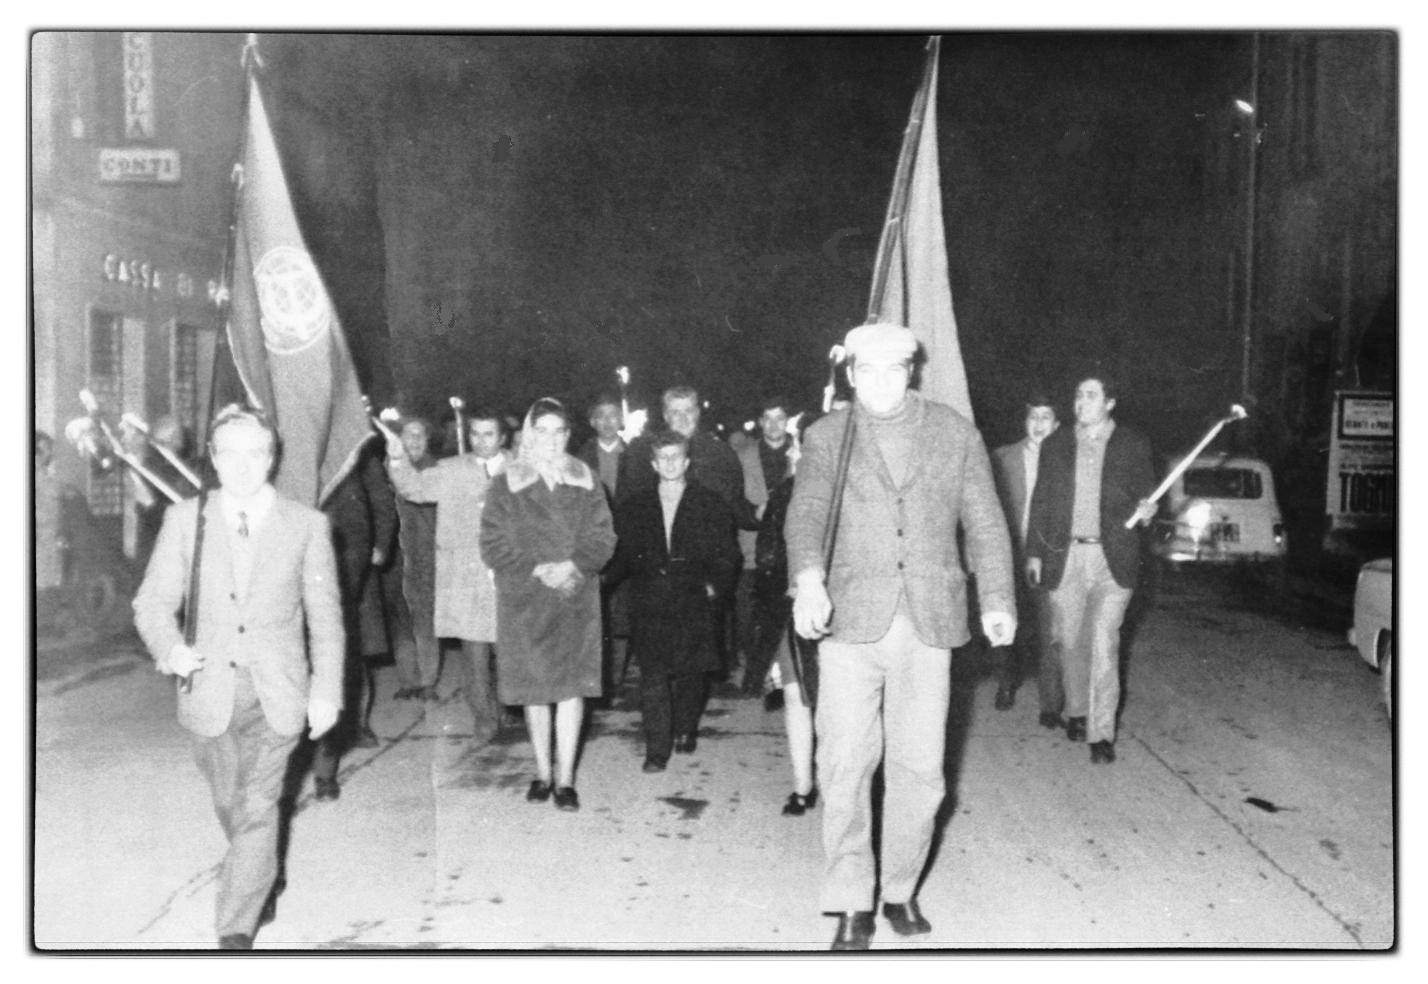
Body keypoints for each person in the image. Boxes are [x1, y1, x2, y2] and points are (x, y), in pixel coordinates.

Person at [785, 322, 1015, 950]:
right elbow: (806, 513)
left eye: (895, 369)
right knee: (844, 763)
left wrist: (997, 599)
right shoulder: (828, 435)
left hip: (929, 620)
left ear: (912, 371)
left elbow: (985, 522)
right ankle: (850, 899)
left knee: (919, 768)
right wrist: (809, 579)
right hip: (849, 620)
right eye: (868, 371)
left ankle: (899, 889)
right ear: (851, 375)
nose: (882, 382)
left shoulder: (953, 431)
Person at [131, 404, 344, 949]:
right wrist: (170, 648)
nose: (243, 466)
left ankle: (234, 929)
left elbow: (325, 619)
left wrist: (327, 691)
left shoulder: (307, 525)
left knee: (257, 805)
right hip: (209, 687)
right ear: (214, 458)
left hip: (279, 690)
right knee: (231, 801)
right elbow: (152, 604)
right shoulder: (187, 519)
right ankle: (260, 869)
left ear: (272, 458)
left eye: (255, 453)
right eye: (230, 454)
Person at [479, 398, 616, 812]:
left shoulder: (586, 479)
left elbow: (603, 537)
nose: (552, 439)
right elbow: (492, 543)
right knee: (535, 692)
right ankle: (542, 772)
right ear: (529, 434)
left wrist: (574, 566)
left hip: (575, 596)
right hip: (526, 597)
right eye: (543, 431)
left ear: (569, 435)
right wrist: (537, 569)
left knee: (572, 689)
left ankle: (566, 779)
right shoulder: (507, 482)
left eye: (560, 431)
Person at [1025, 371, 1155, 765]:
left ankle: (1101, 733)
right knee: (1069, 641)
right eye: (1079, 395)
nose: (1082, 403)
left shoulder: (1133, 444)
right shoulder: (1057, 444)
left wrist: (1149, 510)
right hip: (1066, 556)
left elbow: (1148, 499)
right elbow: (1041, 501)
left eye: (1091, 395)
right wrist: (1034, 552)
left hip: (1112, 558)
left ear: (1110, 403)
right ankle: (1078, 710)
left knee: (1104, 644)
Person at [608, 431, 740, 772]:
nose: (669, 463)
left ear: (687, 462)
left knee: (691, 672)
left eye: (676, 457)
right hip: (650, 598)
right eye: (662, 458)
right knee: (652, 675)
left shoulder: (709, 503)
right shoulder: (635, 506)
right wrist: (601, 580)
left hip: (693, 597)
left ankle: (685, 726)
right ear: (653, 464)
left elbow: (728, 554)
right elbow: (621, 555)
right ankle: (656, 749)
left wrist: (714, 588)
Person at [386, 407, 510, 746]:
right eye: (475, 434)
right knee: (475, 654)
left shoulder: (521, 469)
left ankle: (509, 706)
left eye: (489, 434)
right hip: (467, 576)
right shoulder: (452, 469)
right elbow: (413, 488)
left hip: (509, 573)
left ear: (502, 437)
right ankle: (484, 718)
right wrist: (397, 460)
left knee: (509, 650)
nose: (481, 441)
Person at [312, 443, 397, 799]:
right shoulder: (287, 451)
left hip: (347, 561)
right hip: (294, 560)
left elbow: (380, 501)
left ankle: (327, 763)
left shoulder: (356, 449)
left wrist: (380, 543)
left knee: (339, 657)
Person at [749, 415, 817, 814]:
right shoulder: (785, 493)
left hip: (846, 611)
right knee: (796, 694)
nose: (793, 452)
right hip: (793, 610)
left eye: (799, 445)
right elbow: (767, 555)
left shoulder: (856, 490)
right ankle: (803, 785)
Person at [989, 391, 1064, 725]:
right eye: (1033, 417)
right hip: (1009, 556)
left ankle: (1051, 705)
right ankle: (1006, 680)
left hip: (1049, 558)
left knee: (1050, 631)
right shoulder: (1002, 458)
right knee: (1005, 625)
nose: (1038, 424)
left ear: (1057, 424)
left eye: (1046, 418)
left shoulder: (1066, 462)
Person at [736, 395, 795, 697]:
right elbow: (733, 499)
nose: (773, 425)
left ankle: (770, 678)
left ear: (788, 421)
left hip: (788, 551)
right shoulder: (743, 456)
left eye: (779, 418)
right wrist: (753, 513)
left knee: (780, 619)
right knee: (746, 618)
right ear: (760, 422)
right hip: (751, 550)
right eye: (767, 419)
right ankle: (757, 667)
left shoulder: (800, 452)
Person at [389, 416, 441, 701]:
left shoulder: (437, 470)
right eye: (410, 435)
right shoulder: (387, 469)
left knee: (425, 618)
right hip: (396, 556)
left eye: (421, 435)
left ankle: (427, 680)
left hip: (426, 554)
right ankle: (407, 679)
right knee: (400, 618)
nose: (416, 440)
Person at [575, 393, 626, 499]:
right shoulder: (582, 458)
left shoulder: (635, 455)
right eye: (601, 416)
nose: (607, 421)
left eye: (613, 415)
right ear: (592, 422)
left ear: (621, 419)